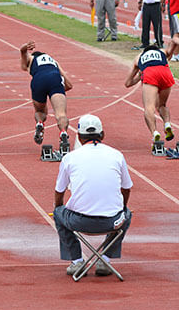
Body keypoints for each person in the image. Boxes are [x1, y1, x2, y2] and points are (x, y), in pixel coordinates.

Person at [53, 114, 132, 277]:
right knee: (127, 214)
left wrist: (59, 207)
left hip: (79, 221)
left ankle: (76, 261)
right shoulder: (117, 155)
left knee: (58, 213)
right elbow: (126, 188)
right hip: (112, 222)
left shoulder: (69, 158)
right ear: (102, 134)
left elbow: (59, 191)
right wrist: (121, 207)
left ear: (80, 138)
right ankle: (105, 260)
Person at [19, 41, 73, 148]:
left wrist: (25, 48)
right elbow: (69, 85)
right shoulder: (54, 62)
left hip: (38, 80)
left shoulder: (31, 59)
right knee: (61, 114)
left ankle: (40, 123)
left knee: (40, 111)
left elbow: (22, 53)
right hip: (55, 79)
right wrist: (55, 92)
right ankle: (63, 133)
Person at [125, 45, 175, 142]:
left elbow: (128, 83)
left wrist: (140, 75)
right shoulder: (162, 52)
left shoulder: (139, 57)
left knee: (149, 108)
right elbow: (171, 51)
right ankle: (167, 124)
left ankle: (154, 133)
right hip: (165, 72)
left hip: (150, 73)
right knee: (162, 105)